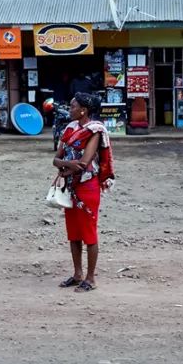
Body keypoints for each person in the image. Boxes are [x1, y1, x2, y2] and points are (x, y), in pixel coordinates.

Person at [52, 92, 115, 293]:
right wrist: (69, 165)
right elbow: (57, 160)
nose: (69, 110)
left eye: (72, 106)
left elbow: (84, 163)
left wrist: (66, 165)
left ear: (83, 110)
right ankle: (78, 274)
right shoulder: (69, 128)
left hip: (87, 186)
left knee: (89, 232)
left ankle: (91, 278)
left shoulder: (95, 130)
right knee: (74, 233)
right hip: (72, 186)